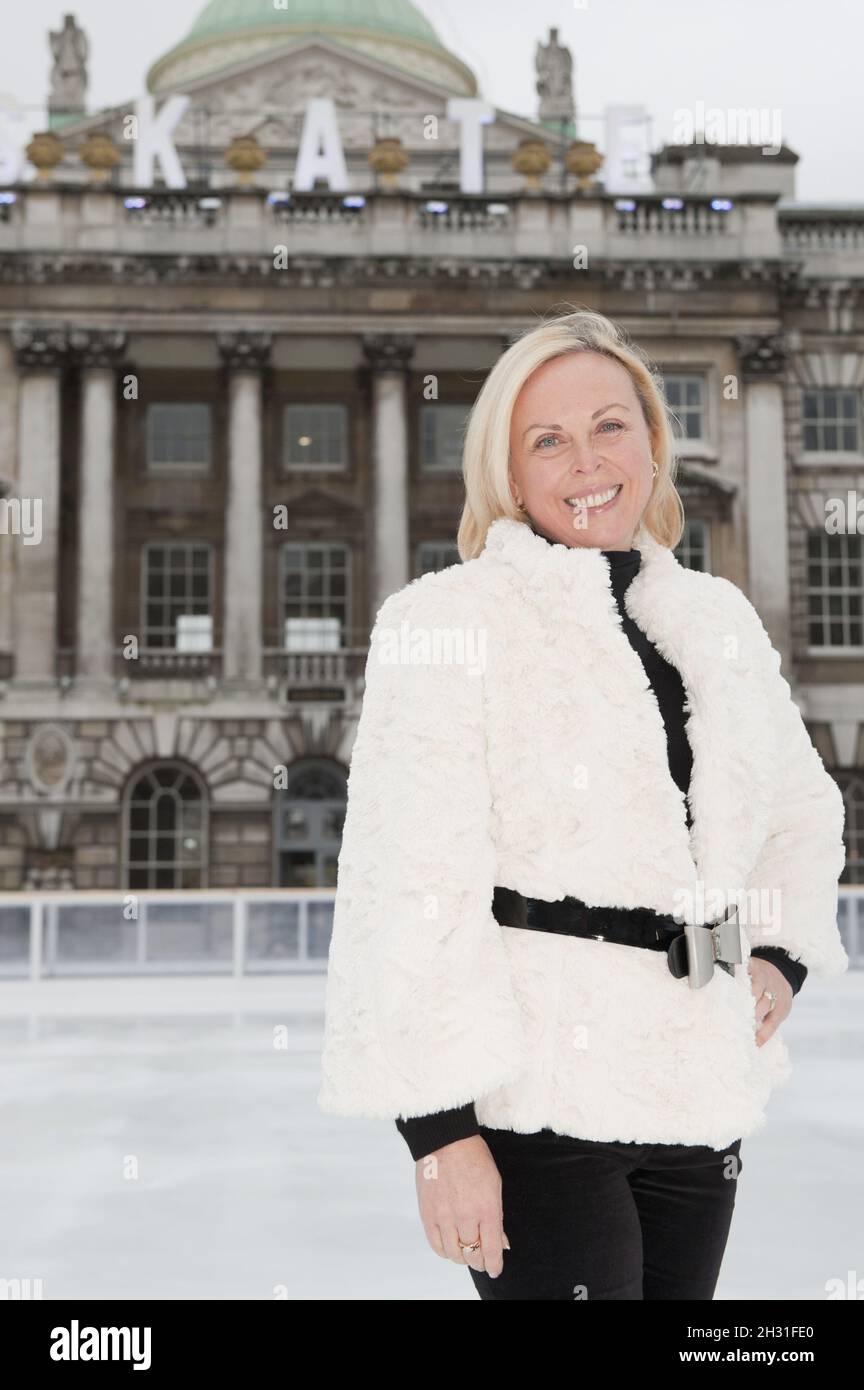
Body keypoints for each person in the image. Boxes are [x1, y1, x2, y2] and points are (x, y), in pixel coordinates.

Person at [317, 307, 848, 1299]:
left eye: (610, 425)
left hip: (696, 1099)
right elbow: (406, 888)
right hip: (534, 1109)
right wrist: (439, 1132)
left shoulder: (714, 620)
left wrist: (780, 954)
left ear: (652, 442)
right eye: (547, 440)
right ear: (509, 475)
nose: (585, 459)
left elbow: (801, 819)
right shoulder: (445, 623)